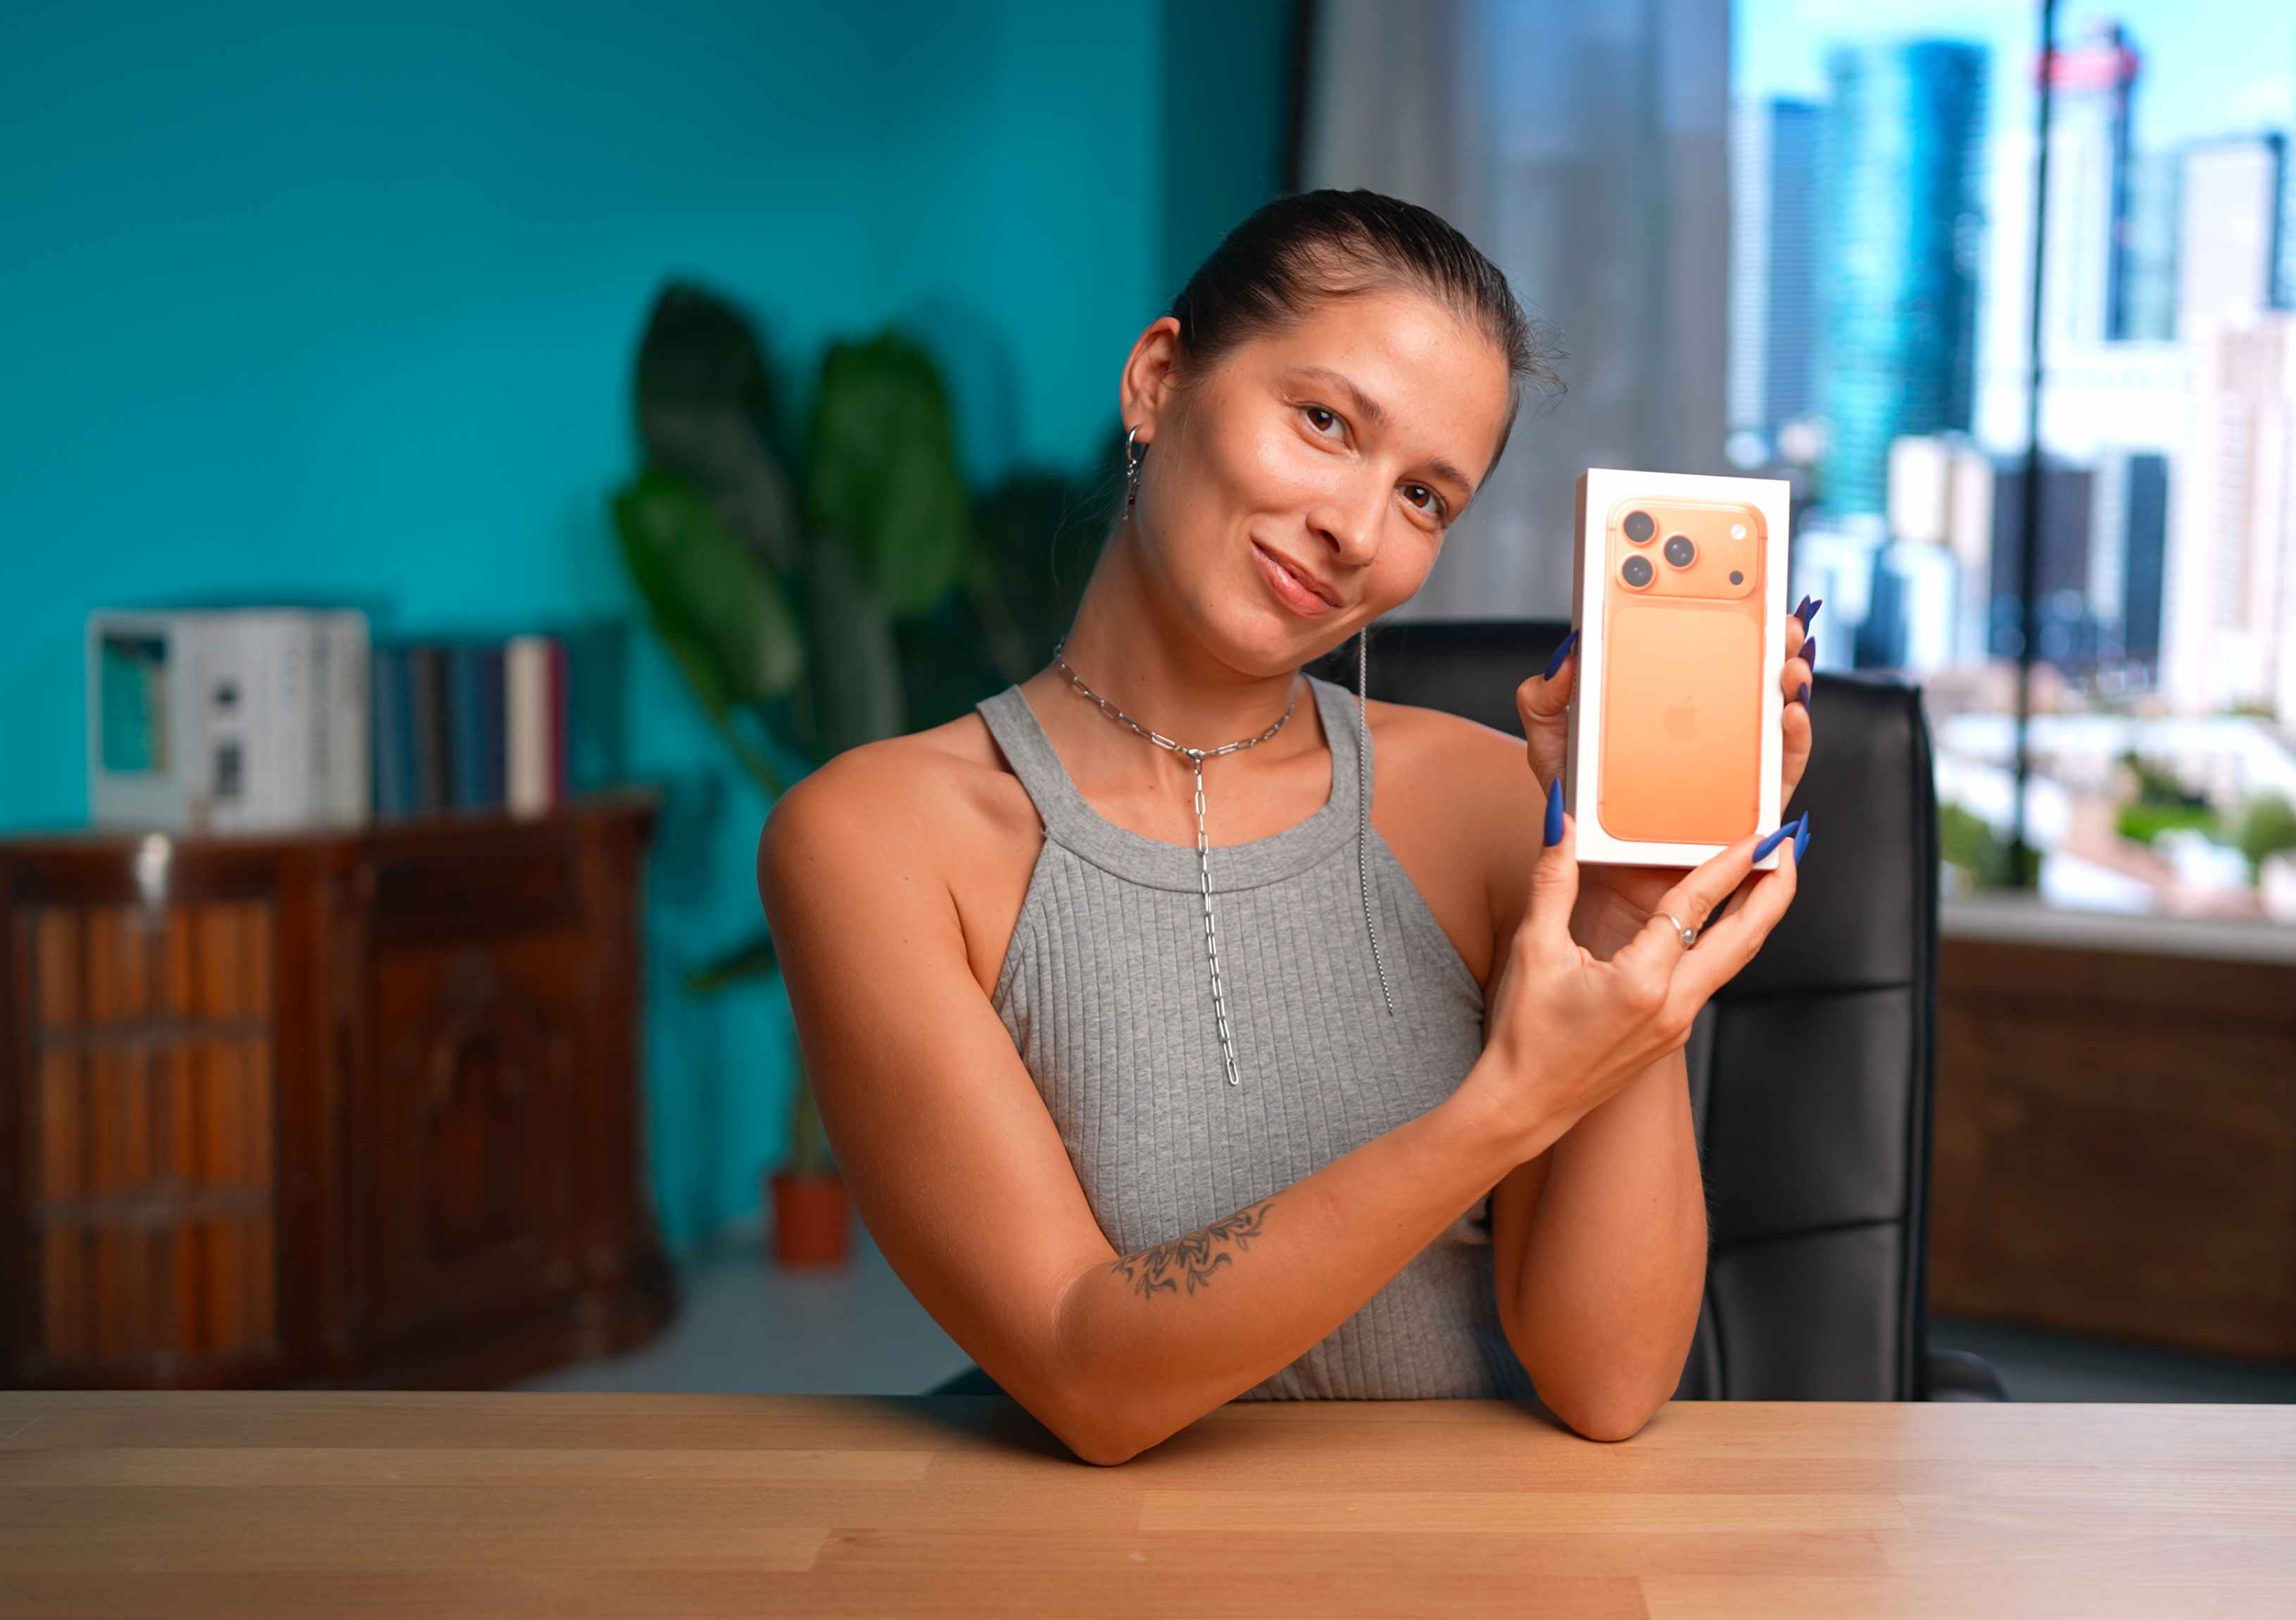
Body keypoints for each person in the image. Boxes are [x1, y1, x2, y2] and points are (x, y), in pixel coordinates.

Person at [757, 189, 1820, 1465]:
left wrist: (1621, 915)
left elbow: (1608, 1383)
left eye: (1428, 497)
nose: (1357, 531)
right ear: (1158, 380)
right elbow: (1085, 1372)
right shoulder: (877, 841)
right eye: (1325, 422)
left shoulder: (1498, 815)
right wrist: (1499, 1109)